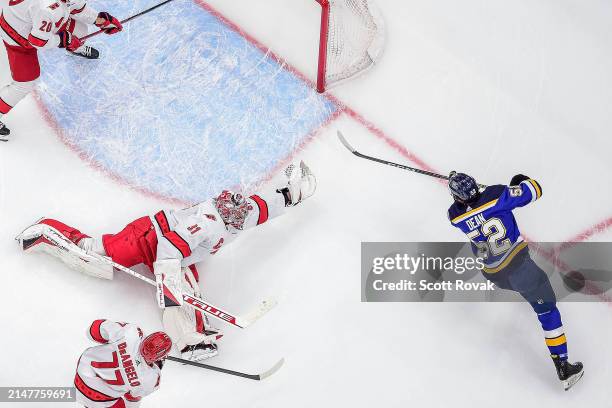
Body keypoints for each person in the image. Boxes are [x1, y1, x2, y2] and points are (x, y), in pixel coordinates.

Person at [19, 161, 316, 362]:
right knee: (96, 258)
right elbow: (167, 252)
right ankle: (47, 231)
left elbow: (269, 206)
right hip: (148, 237)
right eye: (233, 221)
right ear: (223, 217)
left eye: (240, 219)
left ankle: (192, 341)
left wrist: (295, 192)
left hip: (178, 252)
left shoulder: (244, 211)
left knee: (189, 296)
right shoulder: (205, 224)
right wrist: (169, 287)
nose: (239, 223)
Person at [447, 171, 584, 390]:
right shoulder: (496, 195)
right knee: (548, 311)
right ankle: (563, 367)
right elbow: (535, 189)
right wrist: (518, 184)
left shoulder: (454, 216)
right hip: (520, 270)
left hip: (493, 274)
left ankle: (527, 292)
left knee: (524, 286)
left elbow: (473, 208)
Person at [0, 0, 122, 136]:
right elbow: (38, 41)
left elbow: (77, 7)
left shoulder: (52, 9)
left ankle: (74, 47)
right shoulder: (46, 9)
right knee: (26, 83)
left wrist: (99, 20)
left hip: (34, 19)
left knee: (81, 31)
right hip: (18, 38)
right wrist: (64, 40)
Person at [75, 319, 171, 407]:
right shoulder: (151, 380)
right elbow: (132, 400)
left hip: (84, 367)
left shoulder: (131, 332)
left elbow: (93, 331)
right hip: (98, 398)